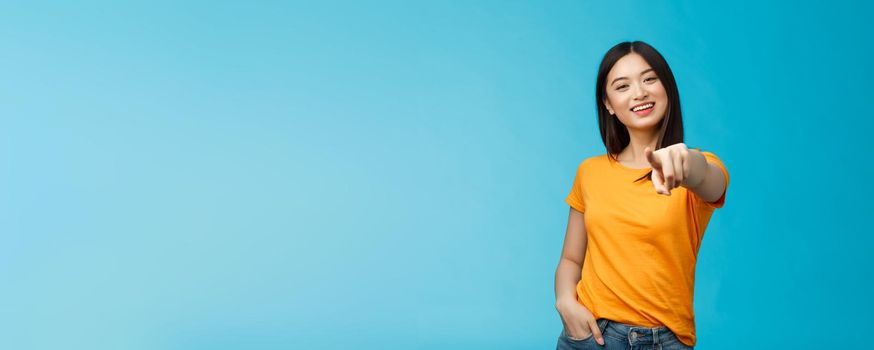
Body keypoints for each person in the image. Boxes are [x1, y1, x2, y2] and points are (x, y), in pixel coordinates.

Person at [554, 41, 729, 350]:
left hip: (666, 340)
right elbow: (571, 258)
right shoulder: (589, 172)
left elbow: (709, 180)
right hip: (593, 336)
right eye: (622, 86)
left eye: (649, 79)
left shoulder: (695, 168)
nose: (639, 93)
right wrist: (566, 302)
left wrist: (686, 164)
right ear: (607, 103)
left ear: (667, 88)